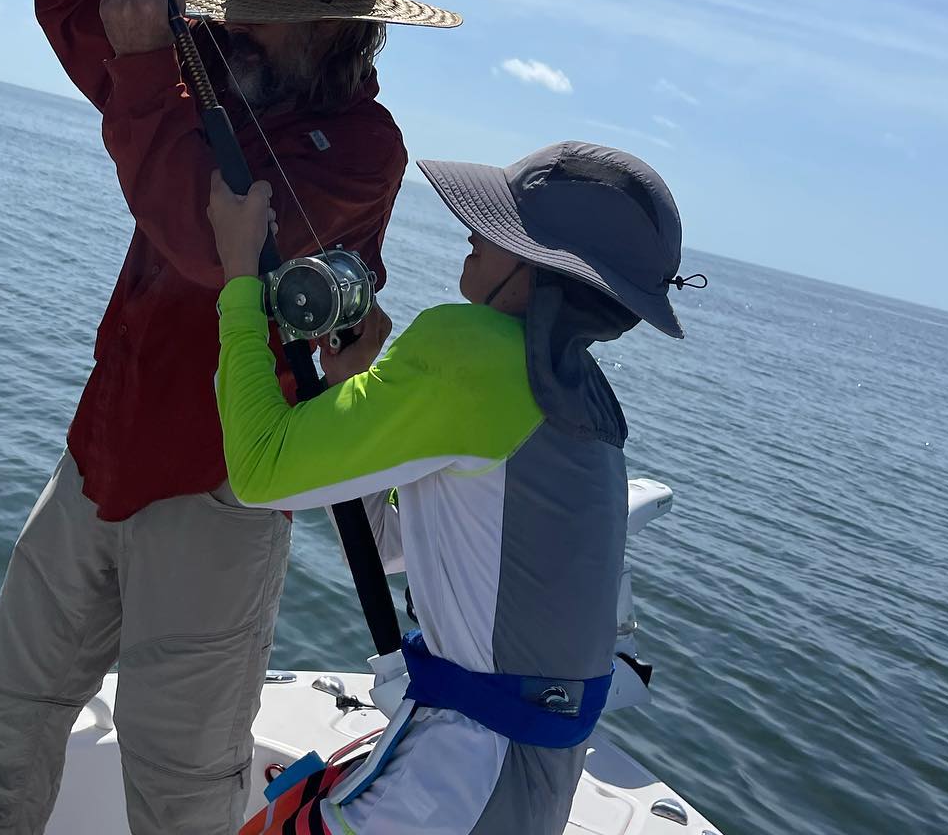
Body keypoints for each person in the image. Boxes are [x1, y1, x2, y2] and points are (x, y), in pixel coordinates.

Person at [0, 0, 460, 835]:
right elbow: (84, 27)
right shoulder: (213, 76)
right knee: (3, 715)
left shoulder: (361, 153)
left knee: (181, 785)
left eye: (265, 12)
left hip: (220, 487)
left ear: (330, 34)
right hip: (100, 454)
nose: (235, 25)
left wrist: (144, 64)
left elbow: (199, 232)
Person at [208, 141, 695, 835]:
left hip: (456, 789)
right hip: (522, 790)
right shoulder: (587, 404)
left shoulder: (467, 346)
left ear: (545, 268)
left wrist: (236, 280)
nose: (473, 229)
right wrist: (353, 390)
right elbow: (389, 547)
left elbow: (258, 472)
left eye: (502, 226)